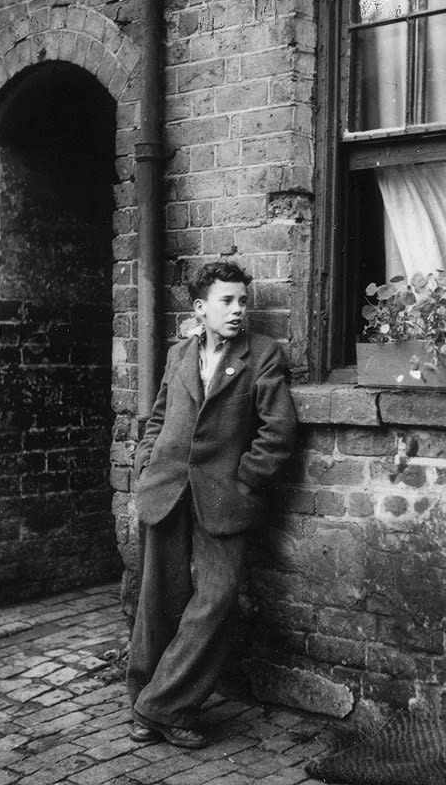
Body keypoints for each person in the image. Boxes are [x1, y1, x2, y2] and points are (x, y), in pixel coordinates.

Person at [126, 260, 298, 749]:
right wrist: (145, 464)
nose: (238, 309)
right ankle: (147, 702)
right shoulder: (179, 354)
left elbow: (278, 431)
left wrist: (245, 481)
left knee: (218, 600)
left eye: (243, 300)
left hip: (224, 497)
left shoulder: (261, 354)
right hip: (168, 490)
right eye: (227, 300)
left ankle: (163, 704)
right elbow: (159, 416)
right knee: (157, 599)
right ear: (201, 308)